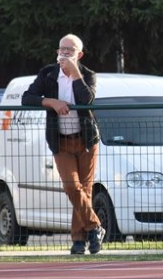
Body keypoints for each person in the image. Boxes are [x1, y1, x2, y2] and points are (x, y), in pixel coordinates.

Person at [22, 34, 104, 255]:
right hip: (61, 141)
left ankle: (79, 241)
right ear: (57, 51)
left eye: (70, 50)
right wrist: (51, 102)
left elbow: (87, 99)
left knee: (84, 189)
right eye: (62, 49)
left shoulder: (88, 74)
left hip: (86, 140)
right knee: (71, 186)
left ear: (80, 54)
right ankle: (95, 227)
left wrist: (75, 72)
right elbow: (27, 97)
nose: (65, 53)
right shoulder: (48, 74)